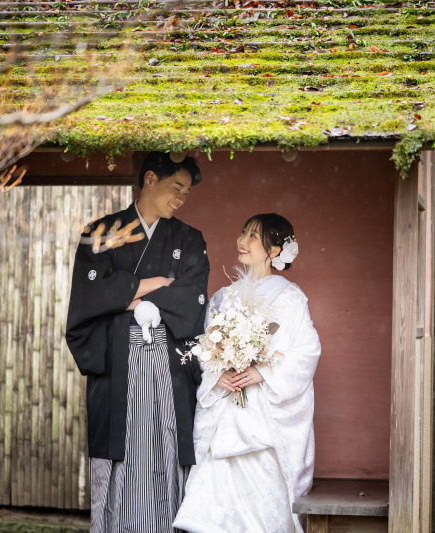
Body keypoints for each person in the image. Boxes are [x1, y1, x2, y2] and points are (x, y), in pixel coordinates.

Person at [65, 151, 209, 533]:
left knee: (167, 451)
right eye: (176, 188)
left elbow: (191, 301)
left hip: (168, 368)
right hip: (118, 364)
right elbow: (88, 298)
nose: (181, 198)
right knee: (121, 454)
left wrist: (122, 296)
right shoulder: (101, 233)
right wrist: (155, 284)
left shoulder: (189, 240)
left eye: (186, 193)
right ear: (149, 180)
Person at [173, 213, 321, 533]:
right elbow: (206, 347)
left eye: (253, 236)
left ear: (274, 250)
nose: (242, 240)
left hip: (263, 417)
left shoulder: (290, 298)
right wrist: (217, 373)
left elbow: (306, 352)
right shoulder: (222, 297)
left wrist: (263, 373)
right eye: (243, 233)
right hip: (225, 413)